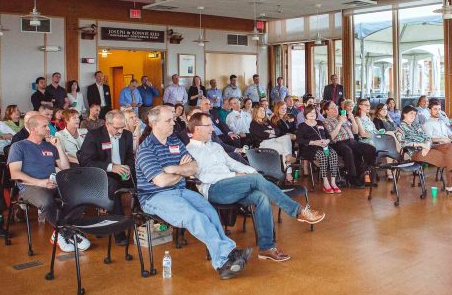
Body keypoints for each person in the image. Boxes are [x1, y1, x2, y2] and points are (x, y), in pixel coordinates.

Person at [186, 111, 325, 262]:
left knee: (262, 197)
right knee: (255, 180)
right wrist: (235, 176)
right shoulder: (190, 150)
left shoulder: (215, 146)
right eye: (208, 125)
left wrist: (253, 171)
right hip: (214, 189)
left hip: (233, 185)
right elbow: (203, 177)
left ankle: (266, 248)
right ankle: (298, 211)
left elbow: (232, 163)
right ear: (197, 128)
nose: (212, 129)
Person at [135, 105, 252, 279]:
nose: (173, 123)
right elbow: (161, 181)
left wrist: (176, 169)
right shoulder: (146, 149)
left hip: (180, 191)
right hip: (155, 197)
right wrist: (182, 170)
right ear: (154, 124)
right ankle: (226, 259)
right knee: (194, 216)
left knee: (209, 211)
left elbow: (194, 167)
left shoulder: (174, 141)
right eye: (168, 121)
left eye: (173, 119)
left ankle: (225, 259)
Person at [7, 113, 87, 252]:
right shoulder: (19, 146)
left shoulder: (49, 146)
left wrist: (59, 147)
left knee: (81, 195)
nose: (49, 129)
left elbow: (65, 167)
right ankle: (66, 232)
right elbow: (14, 173)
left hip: (53, 182)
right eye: (44, 126)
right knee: (46, 202)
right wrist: (40, 183)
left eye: (48, 125)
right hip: (30, 186)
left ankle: (59, 231)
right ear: (33, 129)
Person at [78, 110, 135, 246]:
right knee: (113, 187)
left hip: (122, 172)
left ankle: (144, 222)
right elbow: (86, 162)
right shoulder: (94, 135)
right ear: (107, 124)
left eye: (122, 127)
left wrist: (128, 168)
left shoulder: (126, 135)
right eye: (117, 128)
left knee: (144, 181)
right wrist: (111, 167)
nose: (120, 131)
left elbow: (129, 157)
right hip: (101, 174)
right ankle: (118, 231)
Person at [396, 106, 452, 198]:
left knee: (451, 146)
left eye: (414, 114)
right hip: (416, 152)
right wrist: (421, 145)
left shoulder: (416, 126)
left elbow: (427, 138)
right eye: (411, 113)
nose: (413, 116)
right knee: (449, 158)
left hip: (428, 148)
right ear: (404, 114)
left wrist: (426, 145)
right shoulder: (400, 128)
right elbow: (403, 143)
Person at [324, 102, 376, 188]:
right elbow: (331, 137)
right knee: (348, 151)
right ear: (327, 111)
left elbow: (355, 131)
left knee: (370, 149)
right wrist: (340, 123)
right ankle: (352, 178)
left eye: (335, 107)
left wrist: (352, 119)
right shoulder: (326, 122)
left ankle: (365, 170)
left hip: (352, 141)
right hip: (338, 143)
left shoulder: (342, 118)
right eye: (332, 108)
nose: (335, 109)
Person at [297, 105, 340, 193]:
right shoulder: (302, 125)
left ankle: (333, 182)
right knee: (322, 155)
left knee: (334, 154)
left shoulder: (320, 123)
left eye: (314, 112)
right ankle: (325, 182)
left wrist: (327, 141)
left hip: (324, 146)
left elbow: (328, 136)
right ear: (305, 114)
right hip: (310, 148)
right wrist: (314, 142)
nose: (312, 114)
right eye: (310, 112)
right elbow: (299, 140)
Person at [248, 105, 296, 171]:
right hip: (263, 143)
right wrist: (272, 133)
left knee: (287, 137)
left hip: (274, 140)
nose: (263, 112)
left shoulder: (267, 121)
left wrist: (269, 132)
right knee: (285, 149)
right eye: (260, 111)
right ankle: (288, 168)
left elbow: (278, 131)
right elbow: (261, 135)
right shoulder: (253, 124)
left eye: (263, 111)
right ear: (256, 112)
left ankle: (288, 158)